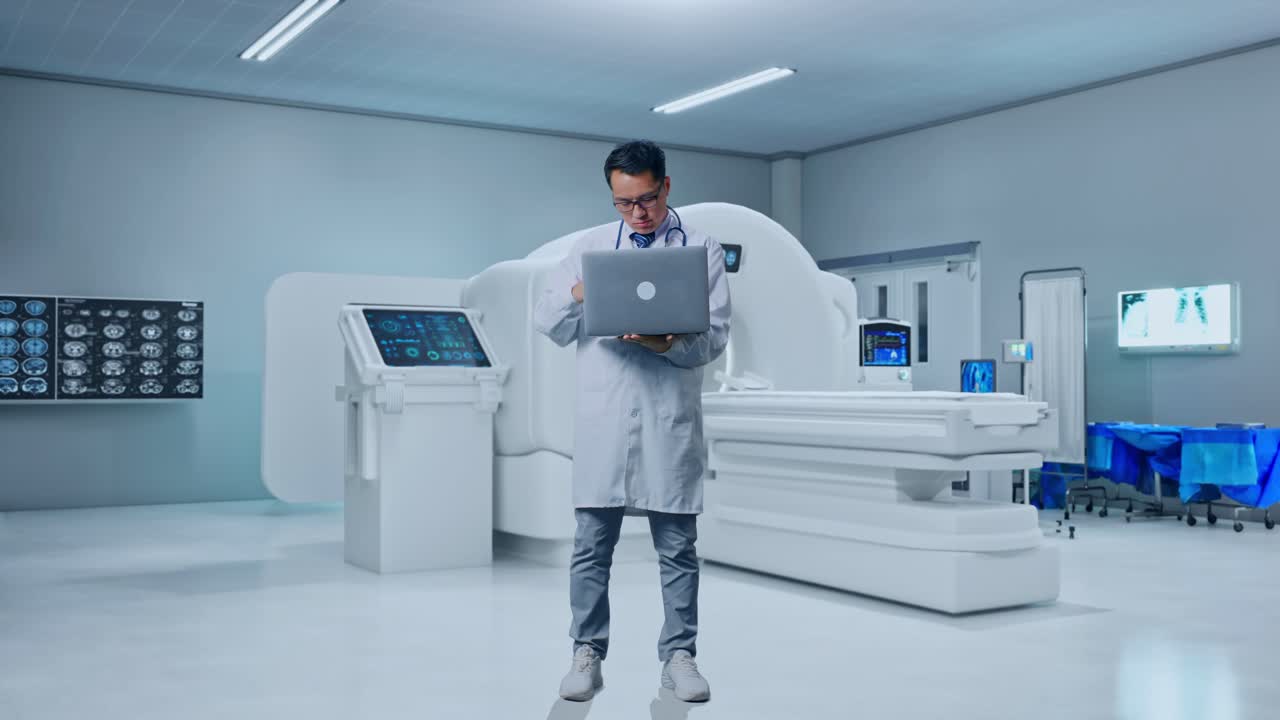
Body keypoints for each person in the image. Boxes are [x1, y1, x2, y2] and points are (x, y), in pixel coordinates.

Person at [533, 140, 731, 703]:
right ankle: (587, 652)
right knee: (591, 546)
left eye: (646, 199)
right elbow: (548, 321)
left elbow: (714, 338)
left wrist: (667, 344)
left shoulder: (701, 248)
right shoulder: (590, 248)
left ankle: (679, 656)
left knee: (678, 549)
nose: (637, 213)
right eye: (624, 203)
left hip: (668, 418)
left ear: (666, 186)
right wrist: (582, 290)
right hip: (606, 418)